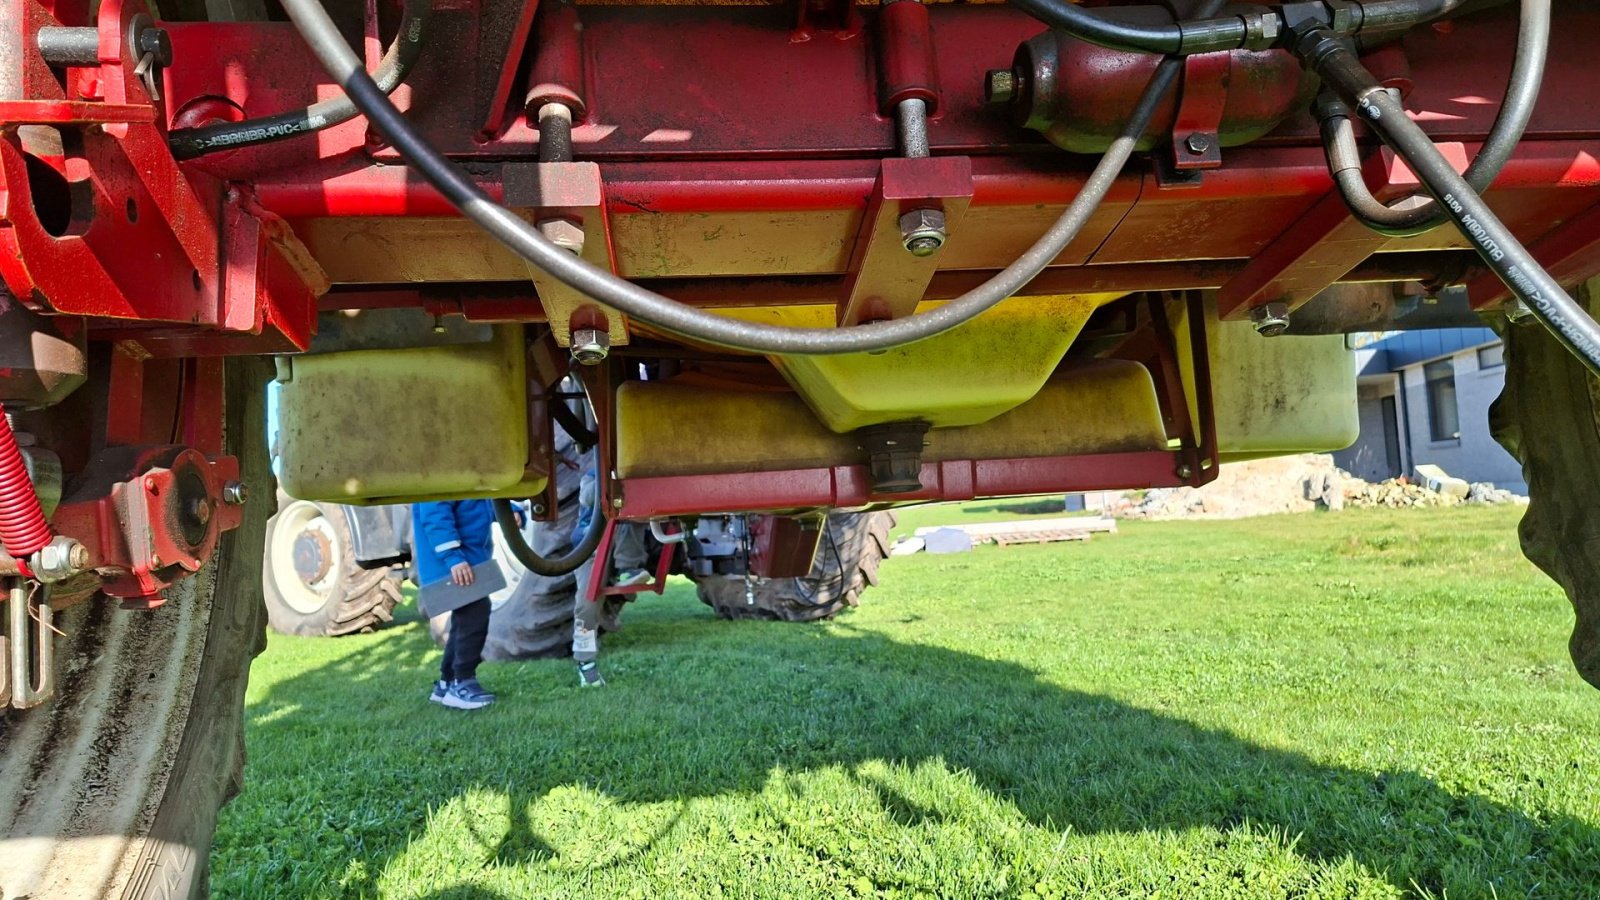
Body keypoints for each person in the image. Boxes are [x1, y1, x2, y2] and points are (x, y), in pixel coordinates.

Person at [569, 464, 651, 688]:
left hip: (619, 544)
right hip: (591, 546)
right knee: (587, 604)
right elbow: (587, 497)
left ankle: (625, 574)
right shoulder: (594, 472)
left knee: (635, 521)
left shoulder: (636, 471)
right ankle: (585, 663)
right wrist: (614, 480)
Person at [413, 499, 499, 710]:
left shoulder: (464, 475)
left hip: (467, 559)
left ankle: (447, 682)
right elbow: (434, 514)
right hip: (456, 563)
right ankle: (463, 681)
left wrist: (511, 511)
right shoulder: (441, 475)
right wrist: (453, 557)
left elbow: (481, 502)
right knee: (475, 613)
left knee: (464, 617)